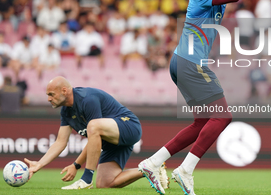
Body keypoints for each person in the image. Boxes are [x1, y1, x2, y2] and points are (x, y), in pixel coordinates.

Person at [138, 0, 271, 195]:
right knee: (223, 116)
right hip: (189, 62)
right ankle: (185, 170)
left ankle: (152, 163)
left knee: (202, 123)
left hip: (183, 61)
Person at [24, 76, 168, 190]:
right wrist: (39, 164)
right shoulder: (66, 111)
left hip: (129, 125)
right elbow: (60, 142)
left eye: (51, 94)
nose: (48, 98)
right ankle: (149, 169)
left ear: (64, 90)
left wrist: (76, 165)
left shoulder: (87, 99)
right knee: (105, 183)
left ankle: (86, 180)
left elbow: (95, 133)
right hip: (111, 141)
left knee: (93, 126)